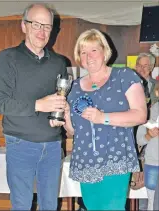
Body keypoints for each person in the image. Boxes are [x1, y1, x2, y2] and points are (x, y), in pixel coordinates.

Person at [51, 29, 147, 210]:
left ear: (105, 51)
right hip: (85, 160)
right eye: (83, 52)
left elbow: (140, 114)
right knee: (92, 207)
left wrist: (103, 117)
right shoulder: (75, 87)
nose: (88, 56)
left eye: (94, 50)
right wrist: (66, 113)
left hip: (115, 158)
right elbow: (73, 131)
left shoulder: (124, 76)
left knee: (112, 207)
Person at [0, 3, 67, 211]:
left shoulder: (59, 62)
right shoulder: (8, 58)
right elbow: (1, 103)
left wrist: (57, 116)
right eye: (36, 25)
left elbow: (60, 101)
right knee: (22, 205)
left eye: (47, 26)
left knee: (50, 206)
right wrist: (39, 105)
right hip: (20, 144)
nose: (42, 31)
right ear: (24, 26)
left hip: (53, 145)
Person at [135, 52, 158, 211]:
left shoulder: (155, 86)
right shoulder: (128, 84)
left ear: (151, 68)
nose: (142, 69)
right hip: (137, 133)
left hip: (152, 142)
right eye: (139, 65)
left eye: (146, 66)